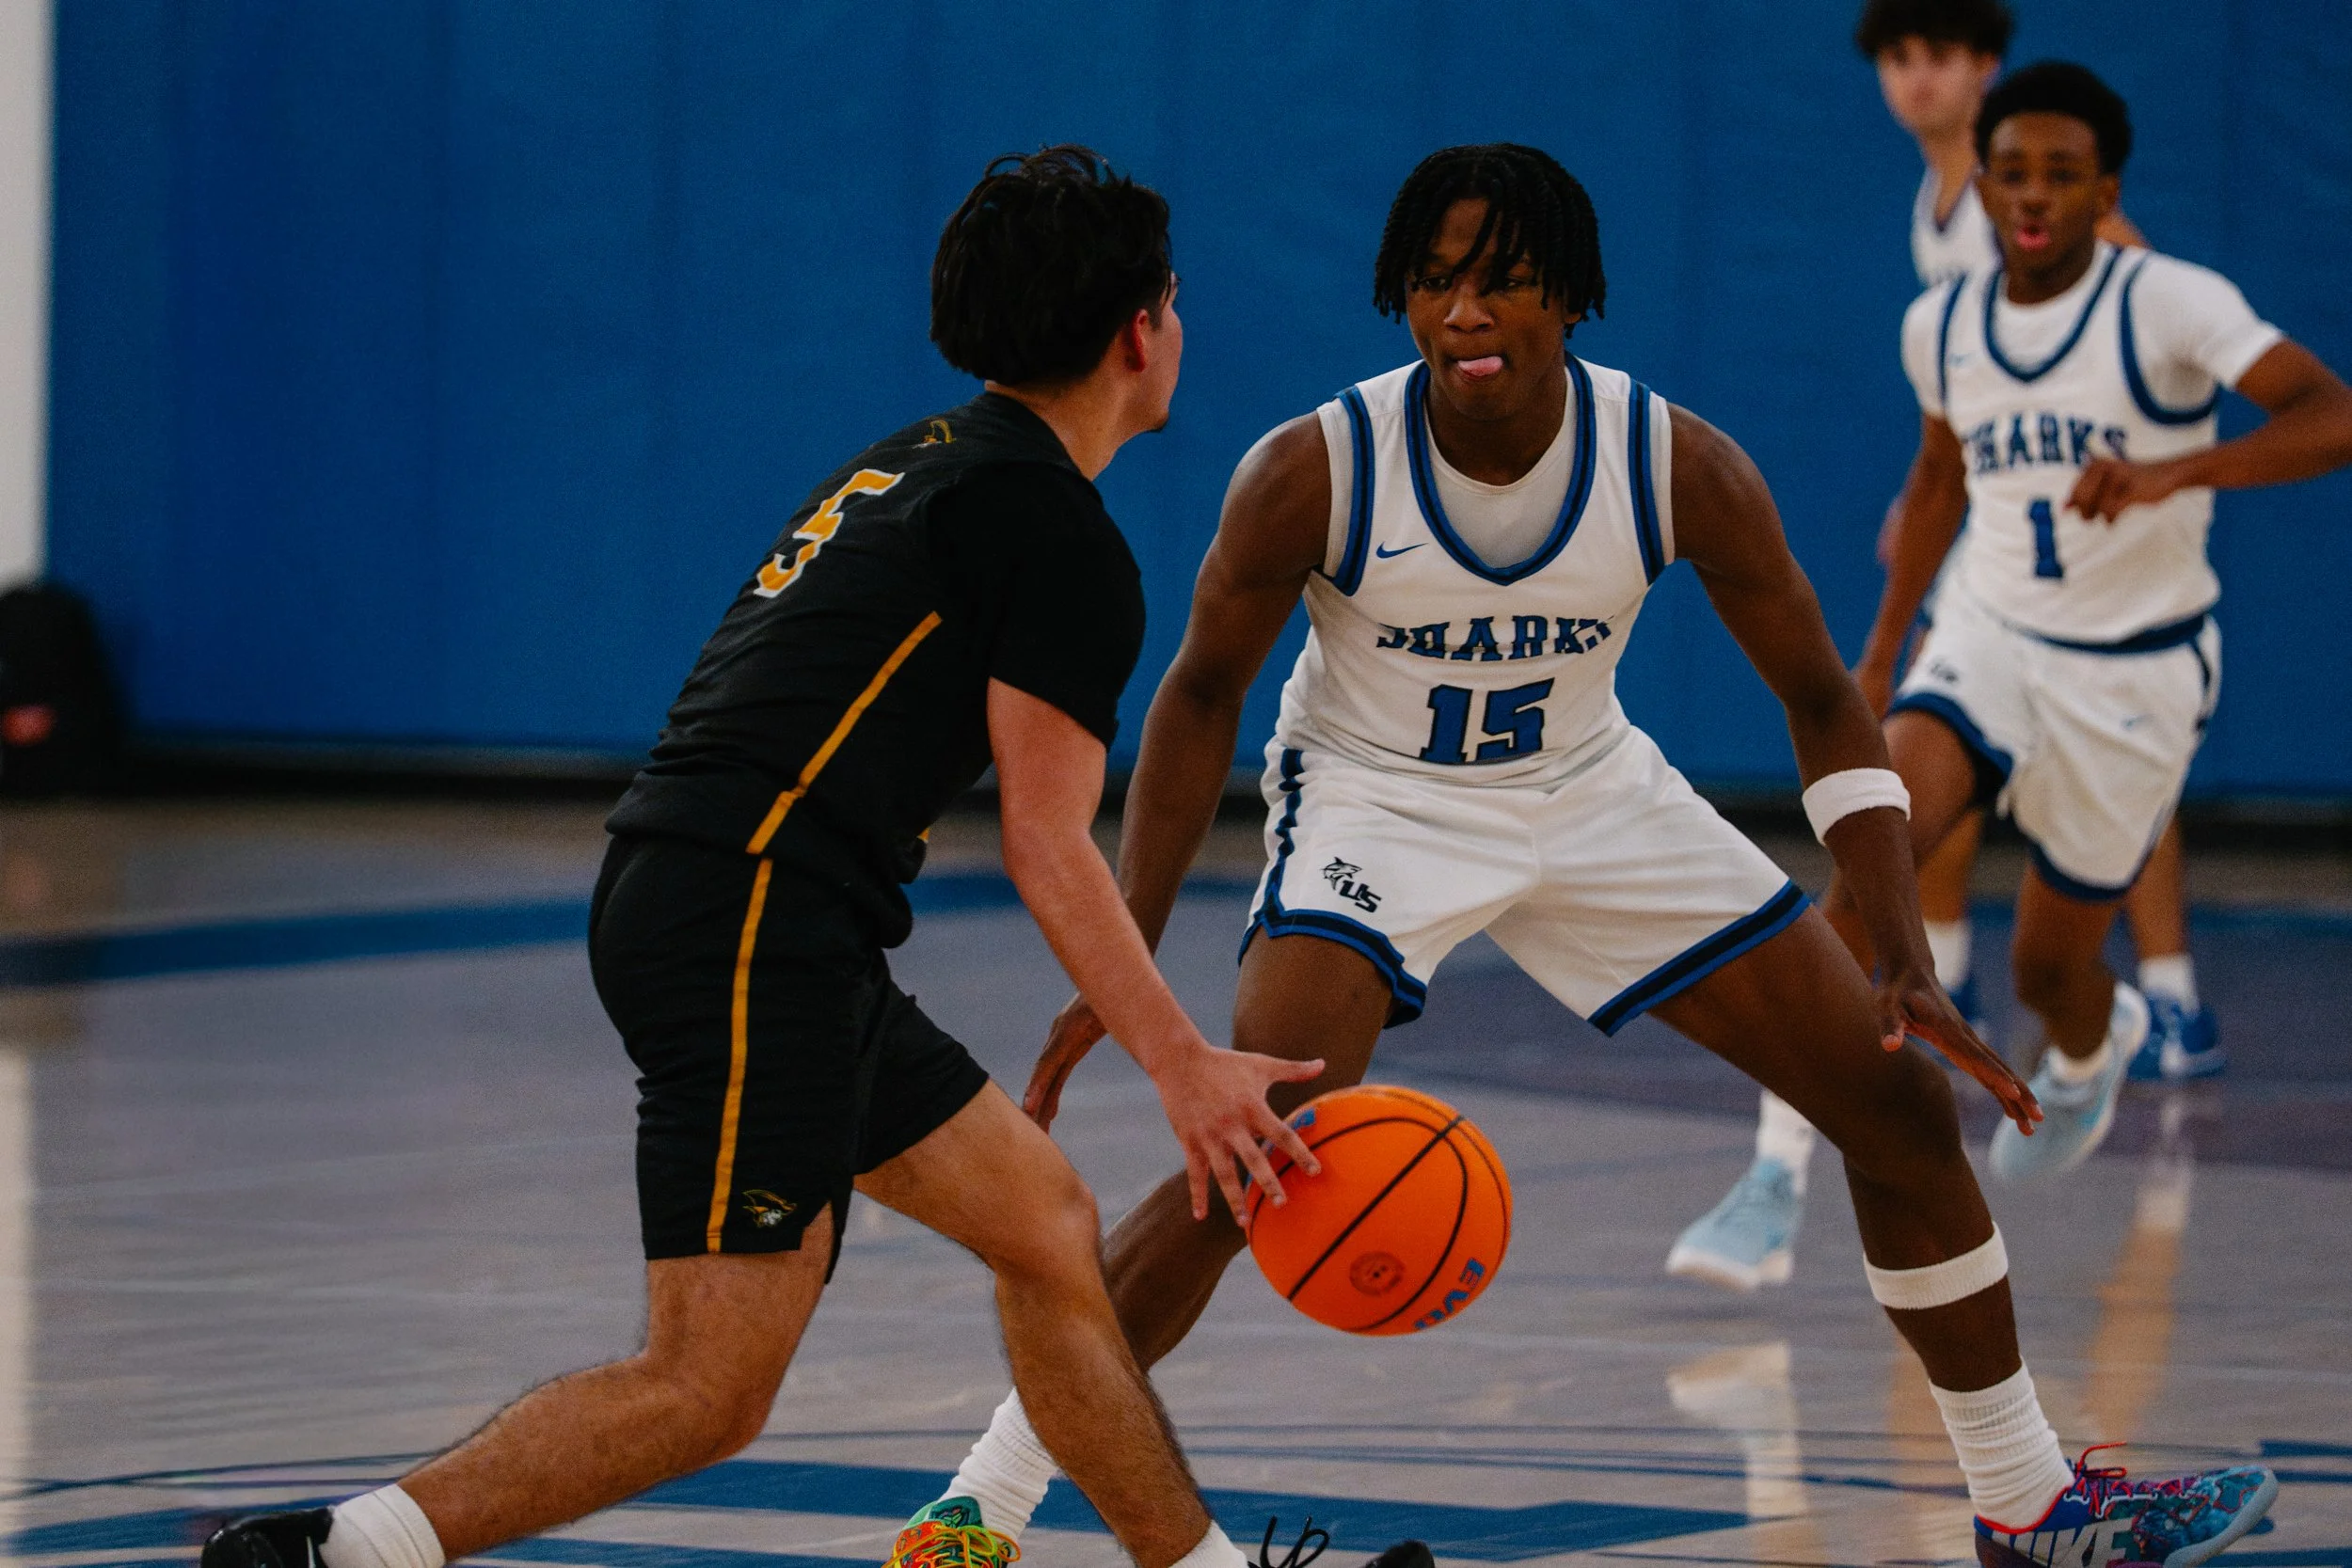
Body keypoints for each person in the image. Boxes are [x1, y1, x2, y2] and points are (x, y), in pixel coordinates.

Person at [919, 143, 2279, 1568]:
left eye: (1503, 280)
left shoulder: (1674, 462)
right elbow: (1198, 698)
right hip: (1377, 807)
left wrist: (1895, 939)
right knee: (1254, 1152)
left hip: (1591, 789)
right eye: (1437, 282)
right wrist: (1125, 939)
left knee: (1900, 1113)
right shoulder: (1312, 470)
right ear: (1399, 298)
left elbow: (1822, 698)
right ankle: (977, 1506)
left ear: (1572, 297)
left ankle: (2025, 1504)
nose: (1466, 312)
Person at [198, 147, 1420, 1568]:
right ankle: (330, 1555)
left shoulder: (918, 460)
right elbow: (1044, 838)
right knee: (709, 1385)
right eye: (1175, 298)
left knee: (1044, 1218)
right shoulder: (1058, 536)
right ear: (1138, 330)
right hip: (747, 920)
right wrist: (1183, 1063)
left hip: (764, 912)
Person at [1667, 0, 2175, 1294]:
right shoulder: (1941, 204)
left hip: (2105, 601)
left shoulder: (2085, 231)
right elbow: (1970, 392)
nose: (1915, 79)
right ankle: (1780, 1168)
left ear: (1990, 72)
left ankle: (2130, 1000)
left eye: (1938, 54)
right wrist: (1937, 489)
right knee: (1887, 846)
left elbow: (2122, 343)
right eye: (1896, 56)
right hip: (1995, 583)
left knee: (2065, 850)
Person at [1826, 63, 2352, 1187]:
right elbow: (1935, 478)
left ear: (2103, 190)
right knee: (1870, 841)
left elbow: (2331, 413)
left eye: (2059, 176)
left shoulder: (2167, 299)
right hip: (1990, 630)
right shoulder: (1944, 323)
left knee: (2049, 971)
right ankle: (1805, 1143)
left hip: (2135, 665)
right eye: (2007, 172)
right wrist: (1879, 651)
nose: (2028, 196)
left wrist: (2179, 471)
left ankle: (2092, 1042)